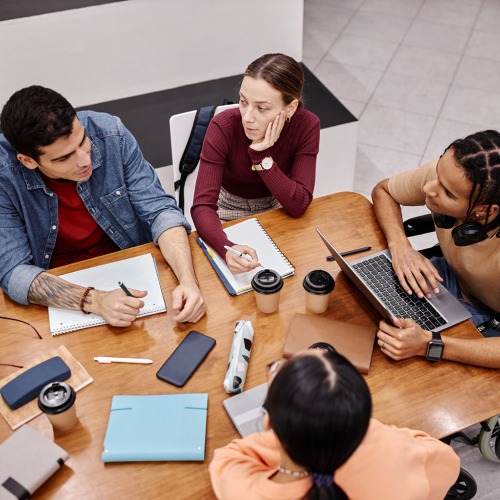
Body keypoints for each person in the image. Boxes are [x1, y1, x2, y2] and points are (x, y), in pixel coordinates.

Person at [0, 85, 206, 325]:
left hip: (131, 270)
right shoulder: (5, 175)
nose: (85, 160)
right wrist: (94, 301)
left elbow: (160, 211)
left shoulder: (110, 133)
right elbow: (13, 272)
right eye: (64, 157)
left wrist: (188, 281)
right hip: (59, 294)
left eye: (82, 141)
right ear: (28, 160)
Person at [209, 349, 459, 500]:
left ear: (268, 422)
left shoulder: (246, 490)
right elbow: (448, 462)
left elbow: (228, 457)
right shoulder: (388, 444)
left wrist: (283, 438)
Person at [372, 130, 500, 368]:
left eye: (448, 193)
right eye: (438, 172)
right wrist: (401, 248)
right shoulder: (446, 176)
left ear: (483, 211)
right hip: (448, 277)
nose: (429, 188)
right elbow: (384, 190)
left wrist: (430, 345)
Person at [191, 53, 320, 274]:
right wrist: (227, 249)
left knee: (295, 273)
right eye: (243, 102)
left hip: (279, 205)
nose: (247, 117)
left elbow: (299, 204)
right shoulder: (223, 126)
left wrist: (261, 156)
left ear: (290, 108)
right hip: (227, 208)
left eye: (262, 108)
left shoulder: (307, 125)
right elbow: (202, 206)